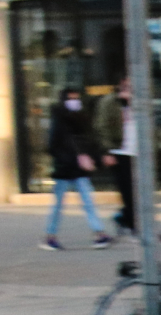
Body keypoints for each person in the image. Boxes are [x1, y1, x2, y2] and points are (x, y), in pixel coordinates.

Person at [43, 87, 112, 251]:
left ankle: (99, 233)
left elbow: (89, 141)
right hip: (65, 170)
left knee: (88, 202)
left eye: (76, 98)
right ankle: (50, 236)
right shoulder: (59, 119)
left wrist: (98, 157)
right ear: (64, 100)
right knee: (58, 204)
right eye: (71, 98)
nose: (75, 101)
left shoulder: (81, 119)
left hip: (79, 169)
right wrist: (75, 159)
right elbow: (53, 146)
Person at [97, 87, 139, 237]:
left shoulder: (139, 101)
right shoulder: (110, 102)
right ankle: (134, 226)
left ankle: (122, 217)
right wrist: (107, 151)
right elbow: (102, 128)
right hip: (120, 152)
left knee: (137, 191)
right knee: (129, 192)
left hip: (137, 152)